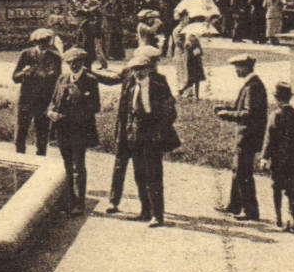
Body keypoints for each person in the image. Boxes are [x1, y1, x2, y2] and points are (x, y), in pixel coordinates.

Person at [100, 45, 179, 226]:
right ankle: (145, 211)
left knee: (154, 176)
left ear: (149, 69)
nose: (137, 73)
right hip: (134, 137)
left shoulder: (159, 85)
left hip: (153, 136)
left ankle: (158, 215)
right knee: (140, 175)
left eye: (141, 70)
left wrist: (159, 131)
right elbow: (126, 111)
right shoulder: (131, 85)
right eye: (134, 70)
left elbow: (170, 112)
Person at [214, 53, 267, 222]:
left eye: (237, 67)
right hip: (246, 136)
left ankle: (251, 211)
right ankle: (234, 205)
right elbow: (243, 109)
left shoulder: (253, 87)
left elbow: (248, 114)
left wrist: (227, 114)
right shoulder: (251, 85)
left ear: (245, 67)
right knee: (238, 170)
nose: (236, 71)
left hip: (248, 136)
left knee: (243, 172)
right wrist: (226, 108)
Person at [47, 47, 101, 214]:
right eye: (70, 63)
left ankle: (79, 203)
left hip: (80, 129)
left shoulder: (90, 80)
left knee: (78, 165)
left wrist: (80, 98)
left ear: (82, 63)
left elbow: (95, 107)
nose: (73, 66)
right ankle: (69, 200)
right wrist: (50, 111)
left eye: (77, 62)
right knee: (67, 165)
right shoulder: (62, 78)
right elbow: (53, 100)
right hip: (62, 128)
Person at [263, 81, 294, 233]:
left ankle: (278, 218)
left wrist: (264, 158)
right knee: (292, 190)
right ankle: (292, 216)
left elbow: (269, 139)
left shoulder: (275, 116)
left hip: (278, 160)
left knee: (277, 188)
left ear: (277, 99)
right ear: (290, 98)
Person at [12, 28, 62, 157]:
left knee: (42, 131)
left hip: (43, 99)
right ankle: (19, 156)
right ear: (35, 42)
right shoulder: (26, 54)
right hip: (26, 98)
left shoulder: (55, 57)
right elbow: (15, 77)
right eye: (40, 42)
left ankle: (41, 157)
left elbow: (58, 80)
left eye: (46, 41)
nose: (43, 45)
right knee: (22, 129)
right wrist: (24, 73)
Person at [177, 31, 206, 100]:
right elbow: (191, 55)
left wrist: (198, 51)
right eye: (192, 38)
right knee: (192, 81)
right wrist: (195, 51)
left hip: (197, 64)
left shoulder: (195, 44)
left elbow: (201, 52)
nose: (194, 39)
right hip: (193, 64)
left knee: (196, 81)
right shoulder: (189, 46)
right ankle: (182, 91)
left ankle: (195, 95)